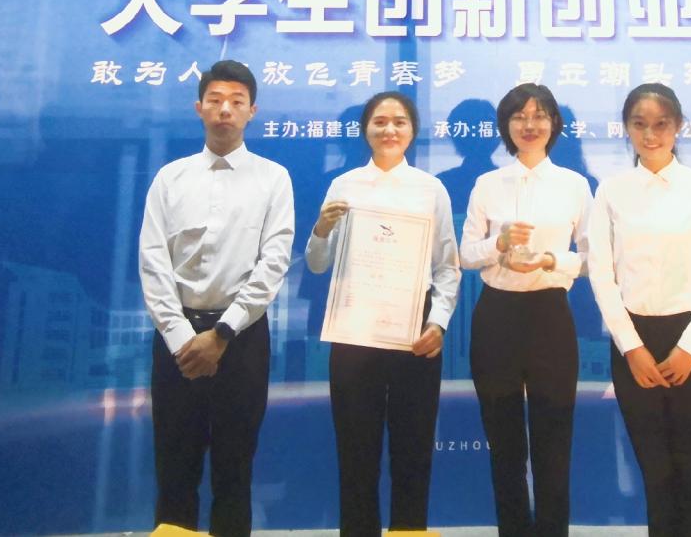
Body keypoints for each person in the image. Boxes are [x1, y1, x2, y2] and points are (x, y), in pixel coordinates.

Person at [139, 60, 294, 537]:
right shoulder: (170, 178)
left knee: (235, 465)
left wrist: (223, 333)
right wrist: (182, 338)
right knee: (174, 464)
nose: (225, 109)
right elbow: (152, 261)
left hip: (242, 341)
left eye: (236, 101)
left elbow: (273, 263)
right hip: (178, 342)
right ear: (199, 108)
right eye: (215, 100)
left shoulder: (273, 178)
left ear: (252, 111)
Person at [306, 91, 461, 536]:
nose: (389, 129)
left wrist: (439, 322)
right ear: (365, 130)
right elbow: (317, 264)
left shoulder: (430, 189)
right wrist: (321, 230)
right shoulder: (344, 185)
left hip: (415, 326)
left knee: (414, 445)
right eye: (379, 122)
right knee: (356, 447)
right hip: (355, 324)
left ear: (412, 131)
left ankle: (409, 530)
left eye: (399, 122)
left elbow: (447, 267)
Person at [587, 83, 691, 537]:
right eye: (639, 124)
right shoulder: (611, 192)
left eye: (661, 124)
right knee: (657, 474)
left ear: (678, 127)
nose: (650, 135)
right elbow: (602, 275)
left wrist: (690, 348)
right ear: (626, 128)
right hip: (634, 346)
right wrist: (631, 348)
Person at [459, 84, 592, 537]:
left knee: (554, 441)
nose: (529, 125)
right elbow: (465, 254)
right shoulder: (488, 184)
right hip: (496, 317)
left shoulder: (575, 185)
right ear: (506, 126)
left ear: (554, 124)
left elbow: (593, 259)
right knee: (504, 444)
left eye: (539, 116)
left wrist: (551, 260)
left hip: (550, 316)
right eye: (519, 117)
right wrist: (497, 245)